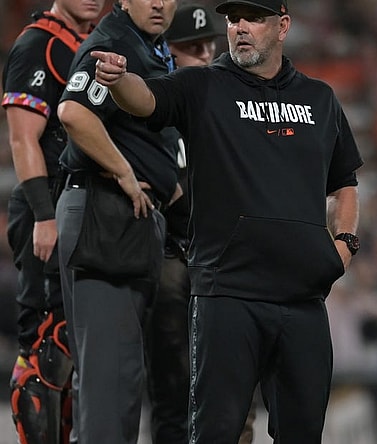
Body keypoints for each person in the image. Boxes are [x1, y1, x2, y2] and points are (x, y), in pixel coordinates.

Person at [91, 0, 364, 441]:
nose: (240, 27)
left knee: (303, 434)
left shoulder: (320, 99)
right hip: (228, 295)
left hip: (304, 301)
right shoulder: (202, 86)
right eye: (234, 18)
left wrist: (345, 244)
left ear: (283, 26)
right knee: (216, 432)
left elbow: (344, 182)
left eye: (254, 18)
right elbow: (146, 101)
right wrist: (119, 80)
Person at [54, 0, 178, 441]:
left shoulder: (153, 48)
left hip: (130, 222)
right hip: (104, 214)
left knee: (121, 378)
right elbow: (74, 112)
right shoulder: (115, 42)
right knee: (110, 382)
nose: (160, 3)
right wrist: (126, 172)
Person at [2, 0, 104, 442]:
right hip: (47, 208)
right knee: (47, 345)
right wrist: (44, 215)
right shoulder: (38, 45)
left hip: (84, 208)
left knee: (75, 349)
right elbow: (22, 137)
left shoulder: (97, 44)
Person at [143, 4, 226, 444]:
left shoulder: (227, 109)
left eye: (210, 45)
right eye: (192, 47)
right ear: (167, 52)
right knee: (174, 395)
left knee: (231, 400)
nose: (206, 54)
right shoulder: (155, 106)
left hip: (220, 263)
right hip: (174, 255)